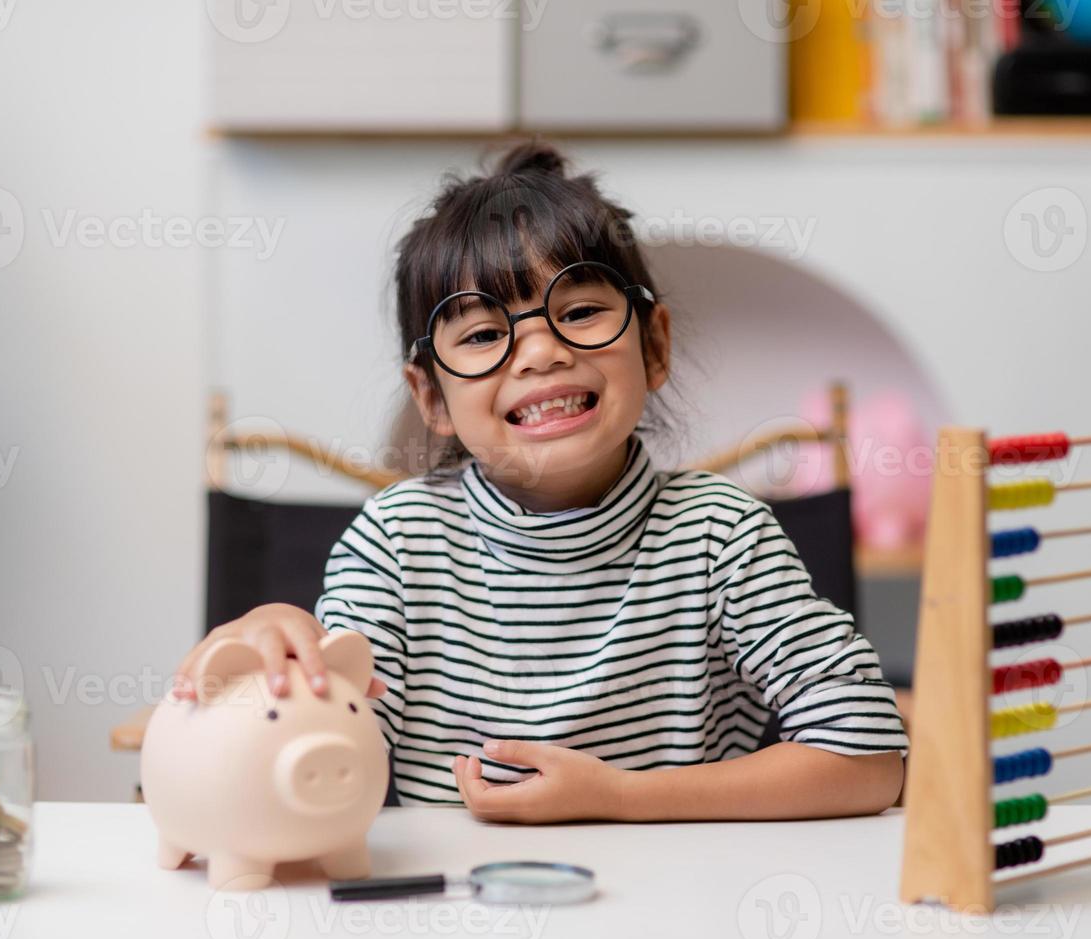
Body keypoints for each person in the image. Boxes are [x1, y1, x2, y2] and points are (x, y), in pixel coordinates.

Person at [174, 139, 908, 823]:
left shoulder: (722, 534)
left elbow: (870, 756)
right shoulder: (397, 541)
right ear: (431, 397)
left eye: (580, 311)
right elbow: (322, 737)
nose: (539, 353)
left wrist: (621, 798)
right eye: (485, 334)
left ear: (654, 346)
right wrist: (273, 647)